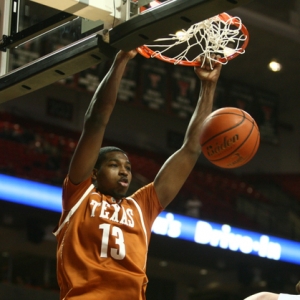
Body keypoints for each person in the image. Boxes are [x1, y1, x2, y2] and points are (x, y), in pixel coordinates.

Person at [53, 49, 222, 299]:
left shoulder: (141, 207)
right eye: (114, 164)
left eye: (128, 167)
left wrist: (208, 86)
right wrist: (121, 59)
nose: (124, 170)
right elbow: (96, 120)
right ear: (95, 173)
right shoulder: (80, 195)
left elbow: (190, 150)